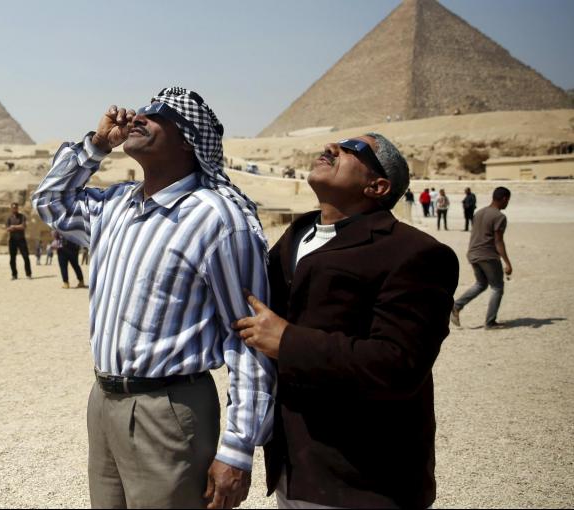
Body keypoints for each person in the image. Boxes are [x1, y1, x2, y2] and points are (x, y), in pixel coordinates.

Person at [33, 87, 274, 509]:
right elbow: (50, 201)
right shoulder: (115, 207)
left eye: (158, 114)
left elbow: (249, 337)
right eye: (141, 110)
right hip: (104, 401)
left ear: (189, 140)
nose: (138, 118)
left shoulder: (218, 219)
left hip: (169, 411)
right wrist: (95, 147)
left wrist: (238, 447)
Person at [232, 133, 458, 508]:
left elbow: (399, 364)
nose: (331, 147)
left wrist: (288, 342)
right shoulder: (296, 237)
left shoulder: (415, 253)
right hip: (296, 465)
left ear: (377, 185)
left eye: (353, 149)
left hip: (366, 478)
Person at [451, 187, 512, 329]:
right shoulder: (499, 217)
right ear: (504, 199)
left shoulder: (479, 213)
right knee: (497, 287)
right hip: (488, 255)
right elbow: (498, 241)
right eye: (508, 200)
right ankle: (490, 322)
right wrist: (507, 263)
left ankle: (456, 305)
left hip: (473, 253)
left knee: (481, 284)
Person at [6, 203, 32, 280]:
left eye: (16, 207)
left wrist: (13, 227)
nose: (14, 209)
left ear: (17, 208)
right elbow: (7, 229)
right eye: (13, 207)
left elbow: (23, 226)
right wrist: (18, 227)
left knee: (26, 257)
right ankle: (14, 275)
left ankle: (28, 274)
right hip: (12, 240)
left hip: (21, 239)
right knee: (12, 258)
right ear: (11, 208)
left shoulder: (22, 216)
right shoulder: (9, 218)